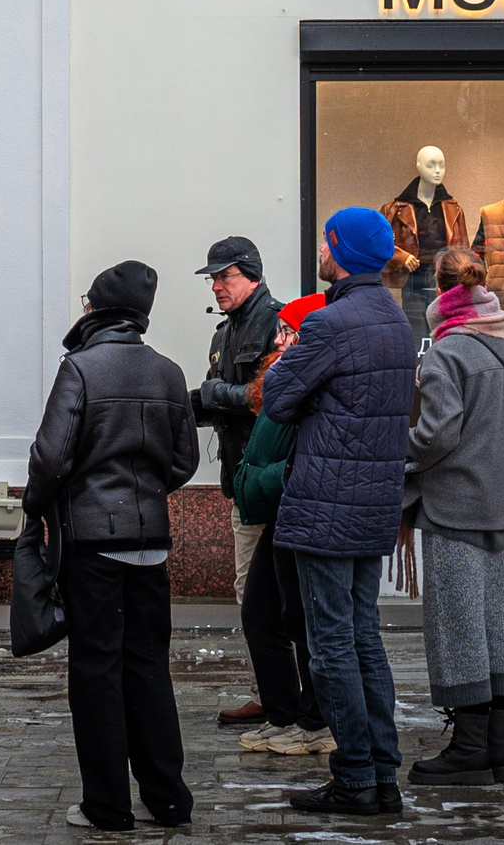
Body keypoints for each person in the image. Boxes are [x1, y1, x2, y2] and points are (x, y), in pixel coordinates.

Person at [24, 262, 201, 832]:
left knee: (96, 670)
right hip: (152, 542)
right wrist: (145, 493)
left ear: (96, 310)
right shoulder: (169, 373)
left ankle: (108, 807)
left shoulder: (80, 369)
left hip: (93, 546)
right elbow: (184, 462)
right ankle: (169, 799)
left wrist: (38, 505)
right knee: (149, 668)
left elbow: (50, 457)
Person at [261, 207, 419, 817]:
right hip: (373, 501)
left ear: (342, 252)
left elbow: (276, 399)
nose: (320, 252)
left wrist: (290, 361)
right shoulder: (395, 321)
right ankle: (382, 773)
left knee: (330, 644)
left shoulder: (331, 323)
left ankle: (355, 776)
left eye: (326, 243)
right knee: (363, 637)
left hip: (327, 503)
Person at [405, 245, 504, 787]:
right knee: (493, 625)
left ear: (440, 291)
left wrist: (404, 456)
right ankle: (497, 750)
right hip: (497, 506)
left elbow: (437, 432)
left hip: (453, 505)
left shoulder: (446, 353)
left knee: (457, 625)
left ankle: (469, 750)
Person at [231, 294, 332, 758]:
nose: (277, 338)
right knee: (260, 615)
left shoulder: (313, 380)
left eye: (288, 330)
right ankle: (283, 714)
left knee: (302, 623)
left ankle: (314, 723)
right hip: (279, 513)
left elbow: (301, 458)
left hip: (300, 511)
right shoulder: (285, 376)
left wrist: (266, 481)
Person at [190, 236, 282, 727]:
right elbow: (222, 400)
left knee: (263, 593)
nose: (217, 285)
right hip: (242, 480)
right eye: (213, 278)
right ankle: (268, 691)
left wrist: (210, 393)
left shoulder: (280, 323)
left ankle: (281, 697)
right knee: (250, 591)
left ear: (251, 274)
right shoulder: (224, 333)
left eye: (224, 276)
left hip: (269, 482)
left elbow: (263, 397)